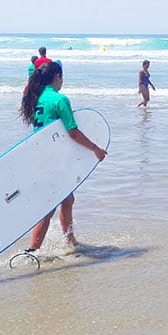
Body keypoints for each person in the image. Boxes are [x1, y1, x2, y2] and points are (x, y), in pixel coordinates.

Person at [19, 61, 107, 252]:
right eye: (62, 78)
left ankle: (70, 241)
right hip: (54, 159)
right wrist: (95, 149)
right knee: (50, 206)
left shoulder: (35, 96)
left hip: (38, 155)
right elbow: (73, 132)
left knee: (67, 200)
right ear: (57, 77)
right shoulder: (60, 99)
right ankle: (32, 252)